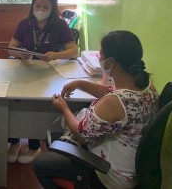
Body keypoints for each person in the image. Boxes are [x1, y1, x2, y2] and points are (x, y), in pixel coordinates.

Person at [33, 30, 159, 188]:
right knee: (59, 138)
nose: (99, 59)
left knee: (40, 163)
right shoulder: (145, 84)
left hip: (109, 173)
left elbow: (82, 136)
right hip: (131, 164)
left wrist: (64, 108)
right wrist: (80, 83)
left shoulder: (114, 103)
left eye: (101, 55)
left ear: (111, 62)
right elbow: (111, 90)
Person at [7, 0, 78, 164]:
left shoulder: (60, 25)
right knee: (16, 102)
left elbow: (74, 51)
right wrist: (19, 53)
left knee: (36, 104)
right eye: (37, 5)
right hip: (24, 70)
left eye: (45, 6)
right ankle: (14, 142)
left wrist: (55, 55)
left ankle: (34, 145)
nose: (40, 9)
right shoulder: (24, 23)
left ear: (53, 8)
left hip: (48, 73)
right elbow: (10, 47)